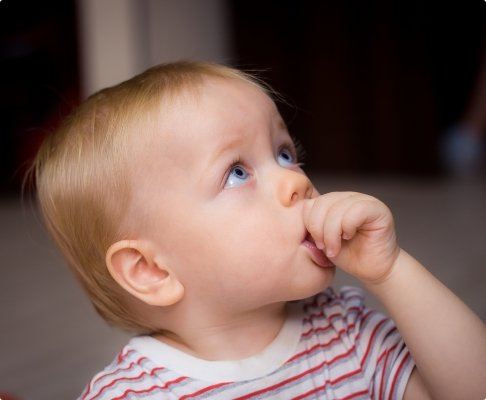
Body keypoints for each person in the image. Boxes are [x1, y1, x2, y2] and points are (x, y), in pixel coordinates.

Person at [26, 61, 485, 399]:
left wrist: (390, 271)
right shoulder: (133, 394)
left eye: (284, 152)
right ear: (151, 270)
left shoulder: (344, 330)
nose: (296, 180)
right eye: (237, 172)